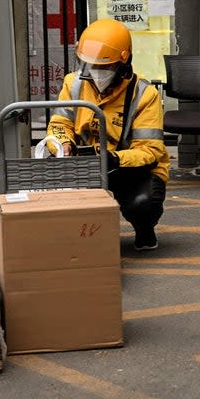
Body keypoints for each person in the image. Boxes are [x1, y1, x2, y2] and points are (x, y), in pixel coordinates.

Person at [44, 18, 170, 251]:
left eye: (104, 66)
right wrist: (63, 145)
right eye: (90, 65)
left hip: (128, 168)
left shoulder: (144, 94)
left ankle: (145, 229)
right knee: (52, 194)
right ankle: (80, 238)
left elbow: (151, 150)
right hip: (84, 163)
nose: (96, 71)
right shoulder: (73, 84)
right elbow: (60, 123)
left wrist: (115, 158)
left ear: (123, 62)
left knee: (143, 204)